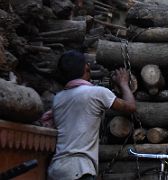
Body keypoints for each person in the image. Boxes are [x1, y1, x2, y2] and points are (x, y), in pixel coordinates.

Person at [47, 50, 136, 180]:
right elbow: (131, 107)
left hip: (56, 169)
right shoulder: (96, 93)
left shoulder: (58, 99)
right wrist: (123, 84)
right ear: (86, 67)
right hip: (79, 169)